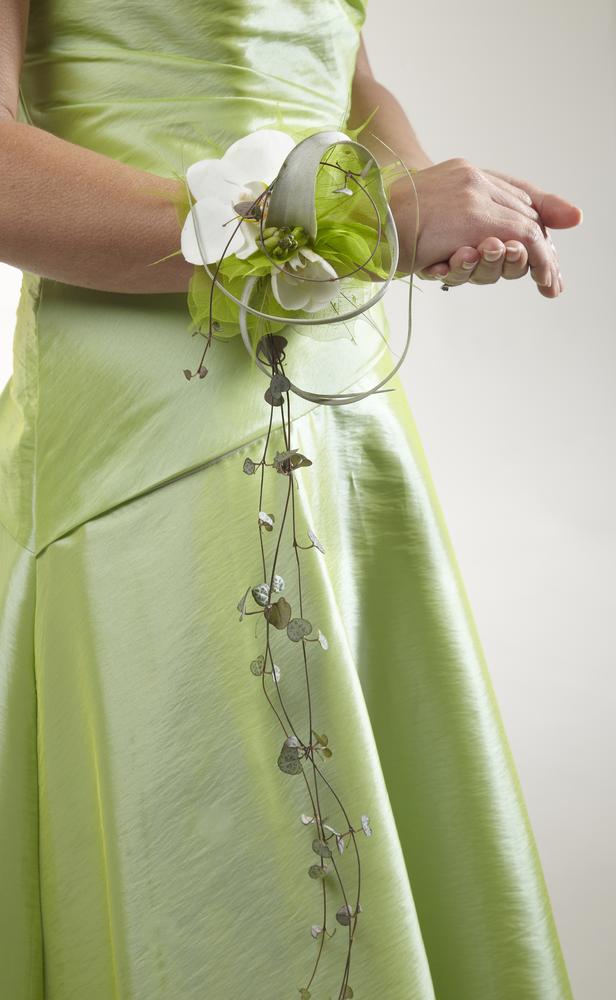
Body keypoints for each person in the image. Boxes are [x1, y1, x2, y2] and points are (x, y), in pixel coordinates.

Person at [0, 1, 580, 998]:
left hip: (345, 396)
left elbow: (346, 76)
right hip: (150, 413)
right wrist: (358, 218)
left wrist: (427, 194)